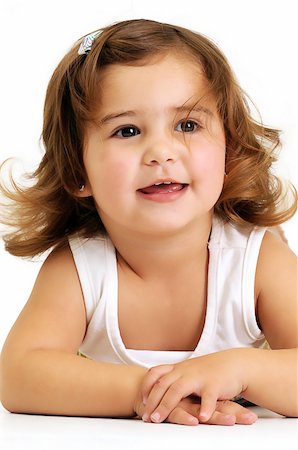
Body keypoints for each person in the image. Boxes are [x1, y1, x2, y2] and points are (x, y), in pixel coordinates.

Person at [0, 18, 297, 427]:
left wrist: (243, 370)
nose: (161, 151)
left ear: (229, 153)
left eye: (187, 125)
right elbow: (19, 376)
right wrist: (148, 391)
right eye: (127, 130)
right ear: (77, 172)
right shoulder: (81, 267)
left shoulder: (257, 259)